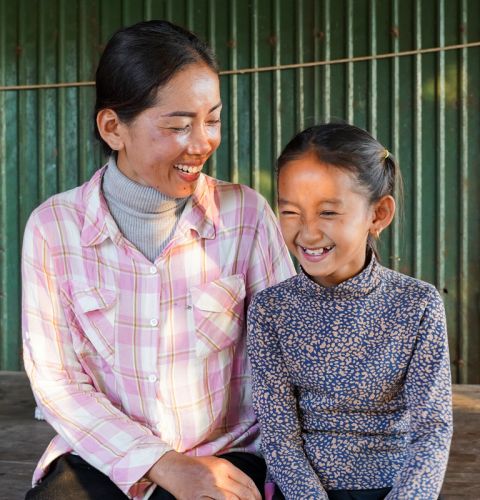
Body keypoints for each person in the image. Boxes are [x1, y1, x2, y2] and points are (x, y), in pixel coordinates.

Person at [22, 20, 294, 500]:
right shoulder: (53, 229)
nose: (203, 142)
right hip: (101, 456)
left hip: (226, 449)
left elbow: (287, 355)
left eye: (212, 119)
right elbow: (58, 382)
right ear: (113, 128)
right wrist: (161, 464)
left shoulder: (246, 216)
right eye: (178, 125)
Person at [247, 123, 453, 500]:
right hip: (301, 490)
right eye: (290, 211)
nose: (307, 233)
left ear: (378, 214)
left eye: (327, 212)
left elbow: (432, 429)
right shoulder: (270, 310)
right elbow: (278, 433)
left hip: (396, 489)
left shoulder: (418, 305)